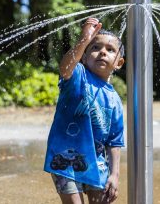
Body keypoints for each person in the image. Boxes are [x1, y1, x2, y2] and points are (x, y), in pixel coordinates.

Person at [44, 17, 125, 204]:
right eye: (95, 48)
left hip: (97, 163)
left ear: (119, 63)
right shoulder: (77, 75)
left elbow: (114, 141)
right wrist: (84, 39)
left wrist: (115, 174)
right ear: (84, 55)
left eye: (110, 50)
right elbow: (65, 68)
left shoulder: (114, 100)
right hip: (65, 158)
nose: (102, 52)